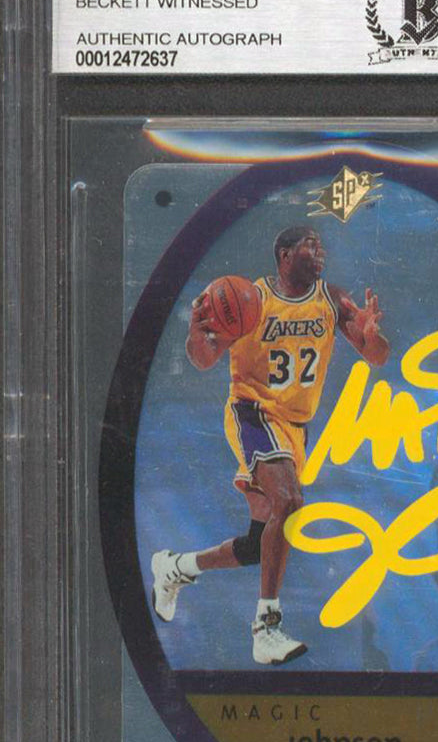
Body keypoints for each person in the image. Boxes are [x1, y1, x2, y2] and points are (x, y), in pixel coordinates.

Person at [151, 225, 390, 664]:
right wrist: (196, 334)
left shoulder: (331, 299)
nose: (320, 252)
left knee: (257, 544)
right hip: (253, 413)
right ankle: (266, 628)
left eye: (321, 246)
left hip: (295, 428)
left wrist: (371, 335)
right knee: (290, 501)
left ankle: (175, 567)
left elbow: (377, 356)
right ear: (284, 254)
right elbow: (203, 360)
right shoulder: (249, 299)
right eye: (310, 246)